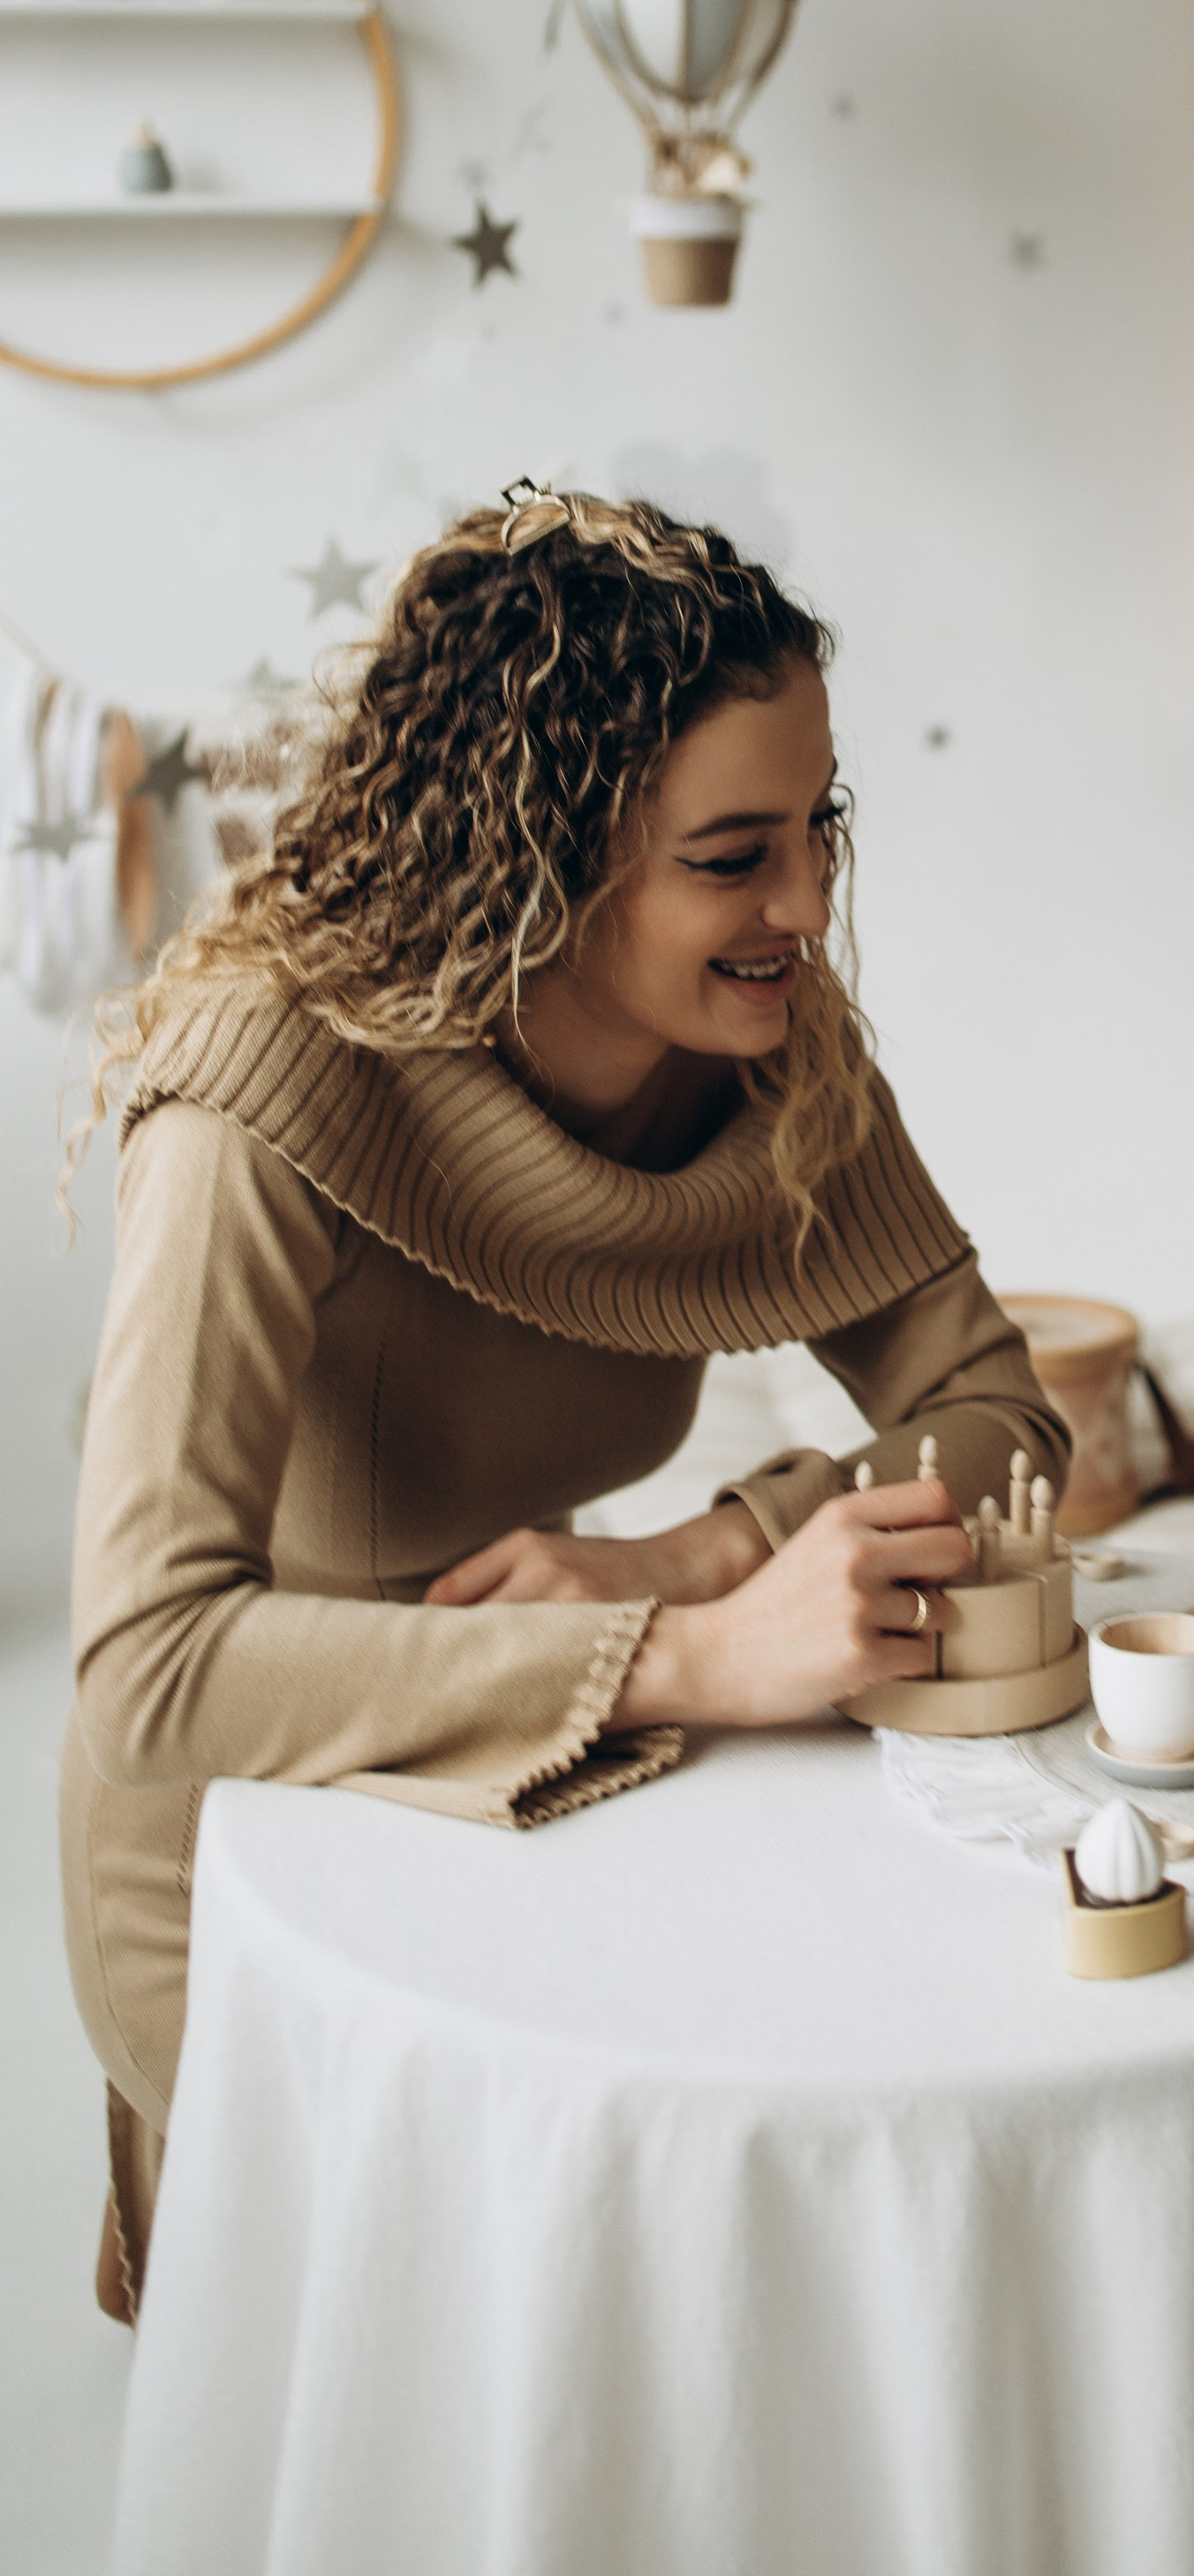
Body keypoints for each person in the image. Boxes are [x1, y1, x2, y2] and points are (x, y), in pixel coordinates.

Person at [63, 483, 1066, 2322]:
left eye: (820, 827)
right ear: (544, 853)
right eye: (734, 854)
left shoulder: (765, 1041)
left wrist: (686, 1561)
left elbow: (1000, 1411)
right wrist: (679, 1658)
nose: (808, 904)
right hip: (257, 1840)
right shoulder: (261, 1086)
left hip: (553, 1745)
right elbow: (150, 1664)